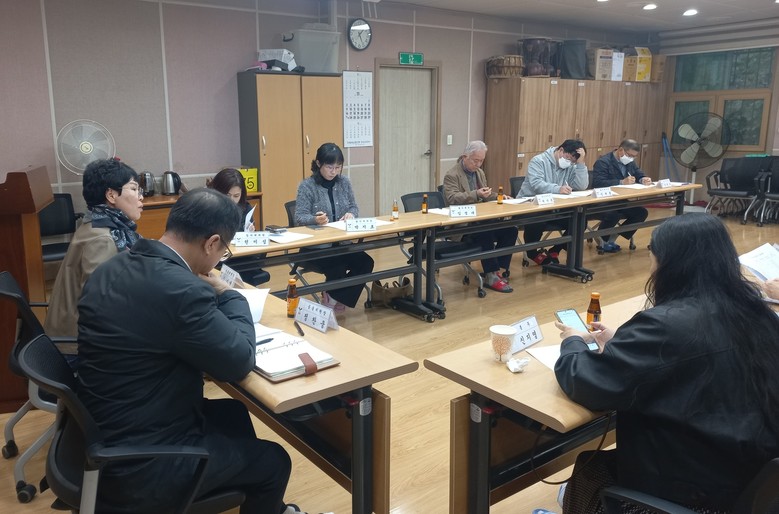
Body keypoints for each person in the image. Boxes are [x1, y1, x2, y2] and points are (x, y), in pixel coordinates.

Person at [76, 188, 301, 514]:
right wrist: (229, 294)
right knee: (274, 461)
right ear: (211, 243)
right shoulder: (180, 290)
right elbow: (238, 361)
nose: (219, 258)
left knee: (233, 412)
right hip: (140, 464)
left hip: (107, 427)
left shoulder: (112, 267)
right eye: (223, 251)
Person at [553, 213, 779, 513]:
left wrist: (573, 341)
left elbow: (587, 382)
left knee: (589, 470)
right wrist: (625, 342)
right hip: (748, 479)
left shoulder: (665, 326)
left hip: (693, 491)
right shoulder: (761, 314)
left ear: (668, 264)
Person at [44, 158, 143, 339]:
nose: (141, 197)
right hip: (79, 343)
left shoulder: (96, 225)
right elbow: (100, 305)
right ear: (111, 195)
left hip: (79, 334)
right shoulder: (103, 240)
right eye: (134, 189)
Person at [294, 142, 374, 312]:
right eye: (329, 167)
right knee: (337, 265)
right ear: (318, 164)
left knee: (366, 262)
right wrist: (315, 219)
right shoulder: (307, 186)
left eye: (338, 167)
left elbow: (354, 207)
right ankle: (333, 298)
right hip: (317, 248)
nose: (334, 171)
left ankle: (334, 296)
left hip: (342, 243)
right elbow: (299, 217)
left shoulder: (344, 182)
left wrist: (351, 214)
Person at [443, 140, 518, 293]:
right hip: (462, 226)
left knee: (510, 230)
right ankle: (491, 276)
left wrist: (500, 197)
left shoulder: (479, 173)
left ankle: (497, 269)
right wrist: (475, 194)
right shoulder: (452, 175)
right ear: (465, 157)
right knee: (485, 231)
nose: (478, 164)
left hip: (480, 220)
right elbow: (452, 198)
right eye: (475, 160)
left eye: (481, 161)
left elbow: (485, 194)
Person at [519, 139, 588, 265]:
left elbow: (581, 186)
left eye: (573, 161)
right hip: (531, 206)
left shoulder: (570, 166)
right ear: (561, 150)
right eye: (568, 158)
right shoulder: (539, 161)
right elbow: (537, 184)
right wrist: (558, 189)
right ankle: (532, 253)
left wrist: (581, 164)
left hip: (554, 207)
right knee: (537, 218)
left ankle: (556, 249)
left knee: (579, 219)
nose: (569, 163)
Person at [207, 167, 269, 285]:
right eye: (227, 195)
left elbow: (246, 232)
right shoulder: (208, 208)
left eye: (236, 196)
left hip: (242, 258)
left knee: (248, 270)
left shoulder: (245, 207)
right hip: (218, 260)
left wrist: (250, 232)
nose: (231, 200)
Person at [591, 139, 652, 253]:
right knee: (613, 214)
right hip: (603, 201)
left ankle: (613, 237)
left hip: (620, 200)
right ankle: (602, 239)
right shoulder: (603, 162)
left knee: (641, 212)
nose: (631, 158)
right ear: (621, 150)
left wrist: (643, 178)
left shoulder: (630, 162)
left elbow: (638, 172)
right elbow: (598, 183)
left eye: (634, 156)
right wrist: (621, 182)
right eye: (630, 155)